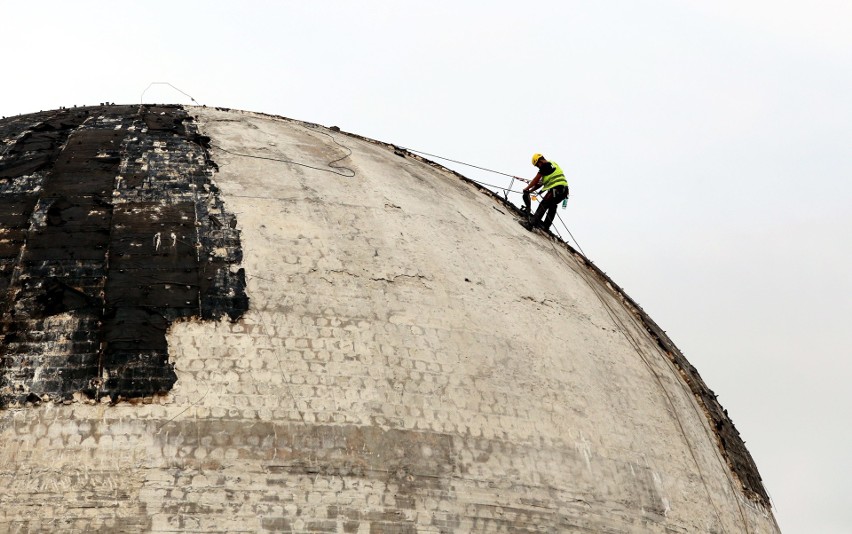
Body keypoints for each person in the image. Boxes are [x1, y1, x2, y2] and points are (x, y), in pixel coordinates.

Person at [521, 153, 569, 231]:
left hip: (556, 189)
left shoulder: (545, 165)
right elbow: (539, 184)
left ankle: (531, 224)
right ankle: (546, 226)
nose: (538, 167)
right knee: (552, 205)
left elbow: (535, 179)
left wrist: (526, 188)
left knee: (544, 204)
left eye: (537, 165)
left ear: (539, 161)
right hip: (564, 191)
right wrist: (530, 191)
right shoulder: (552, 164)